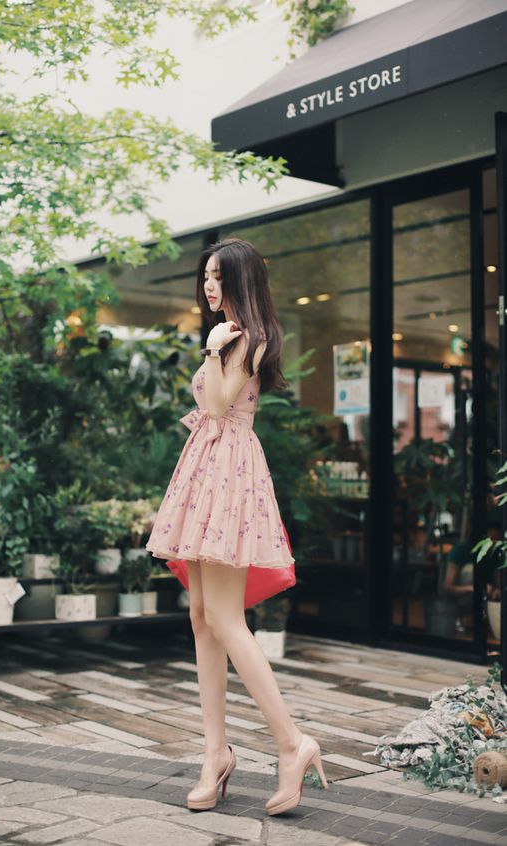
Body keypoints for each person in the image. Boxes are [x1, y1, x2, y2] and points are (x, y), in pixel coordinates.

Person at [145, 237, 327, 815]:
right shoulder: (229, 334)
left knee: (224, 618)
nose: (209, 284)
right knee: (201, 617)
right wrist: (212, 347)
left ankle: (292, 742)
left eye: (219, 275)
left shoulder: (248, 335)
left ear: (242, 280)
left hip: (229, 475)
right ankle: (216, 751)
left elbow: (221, 406)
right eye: (205, 275)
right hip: (208, 472)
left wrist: (209, 351)